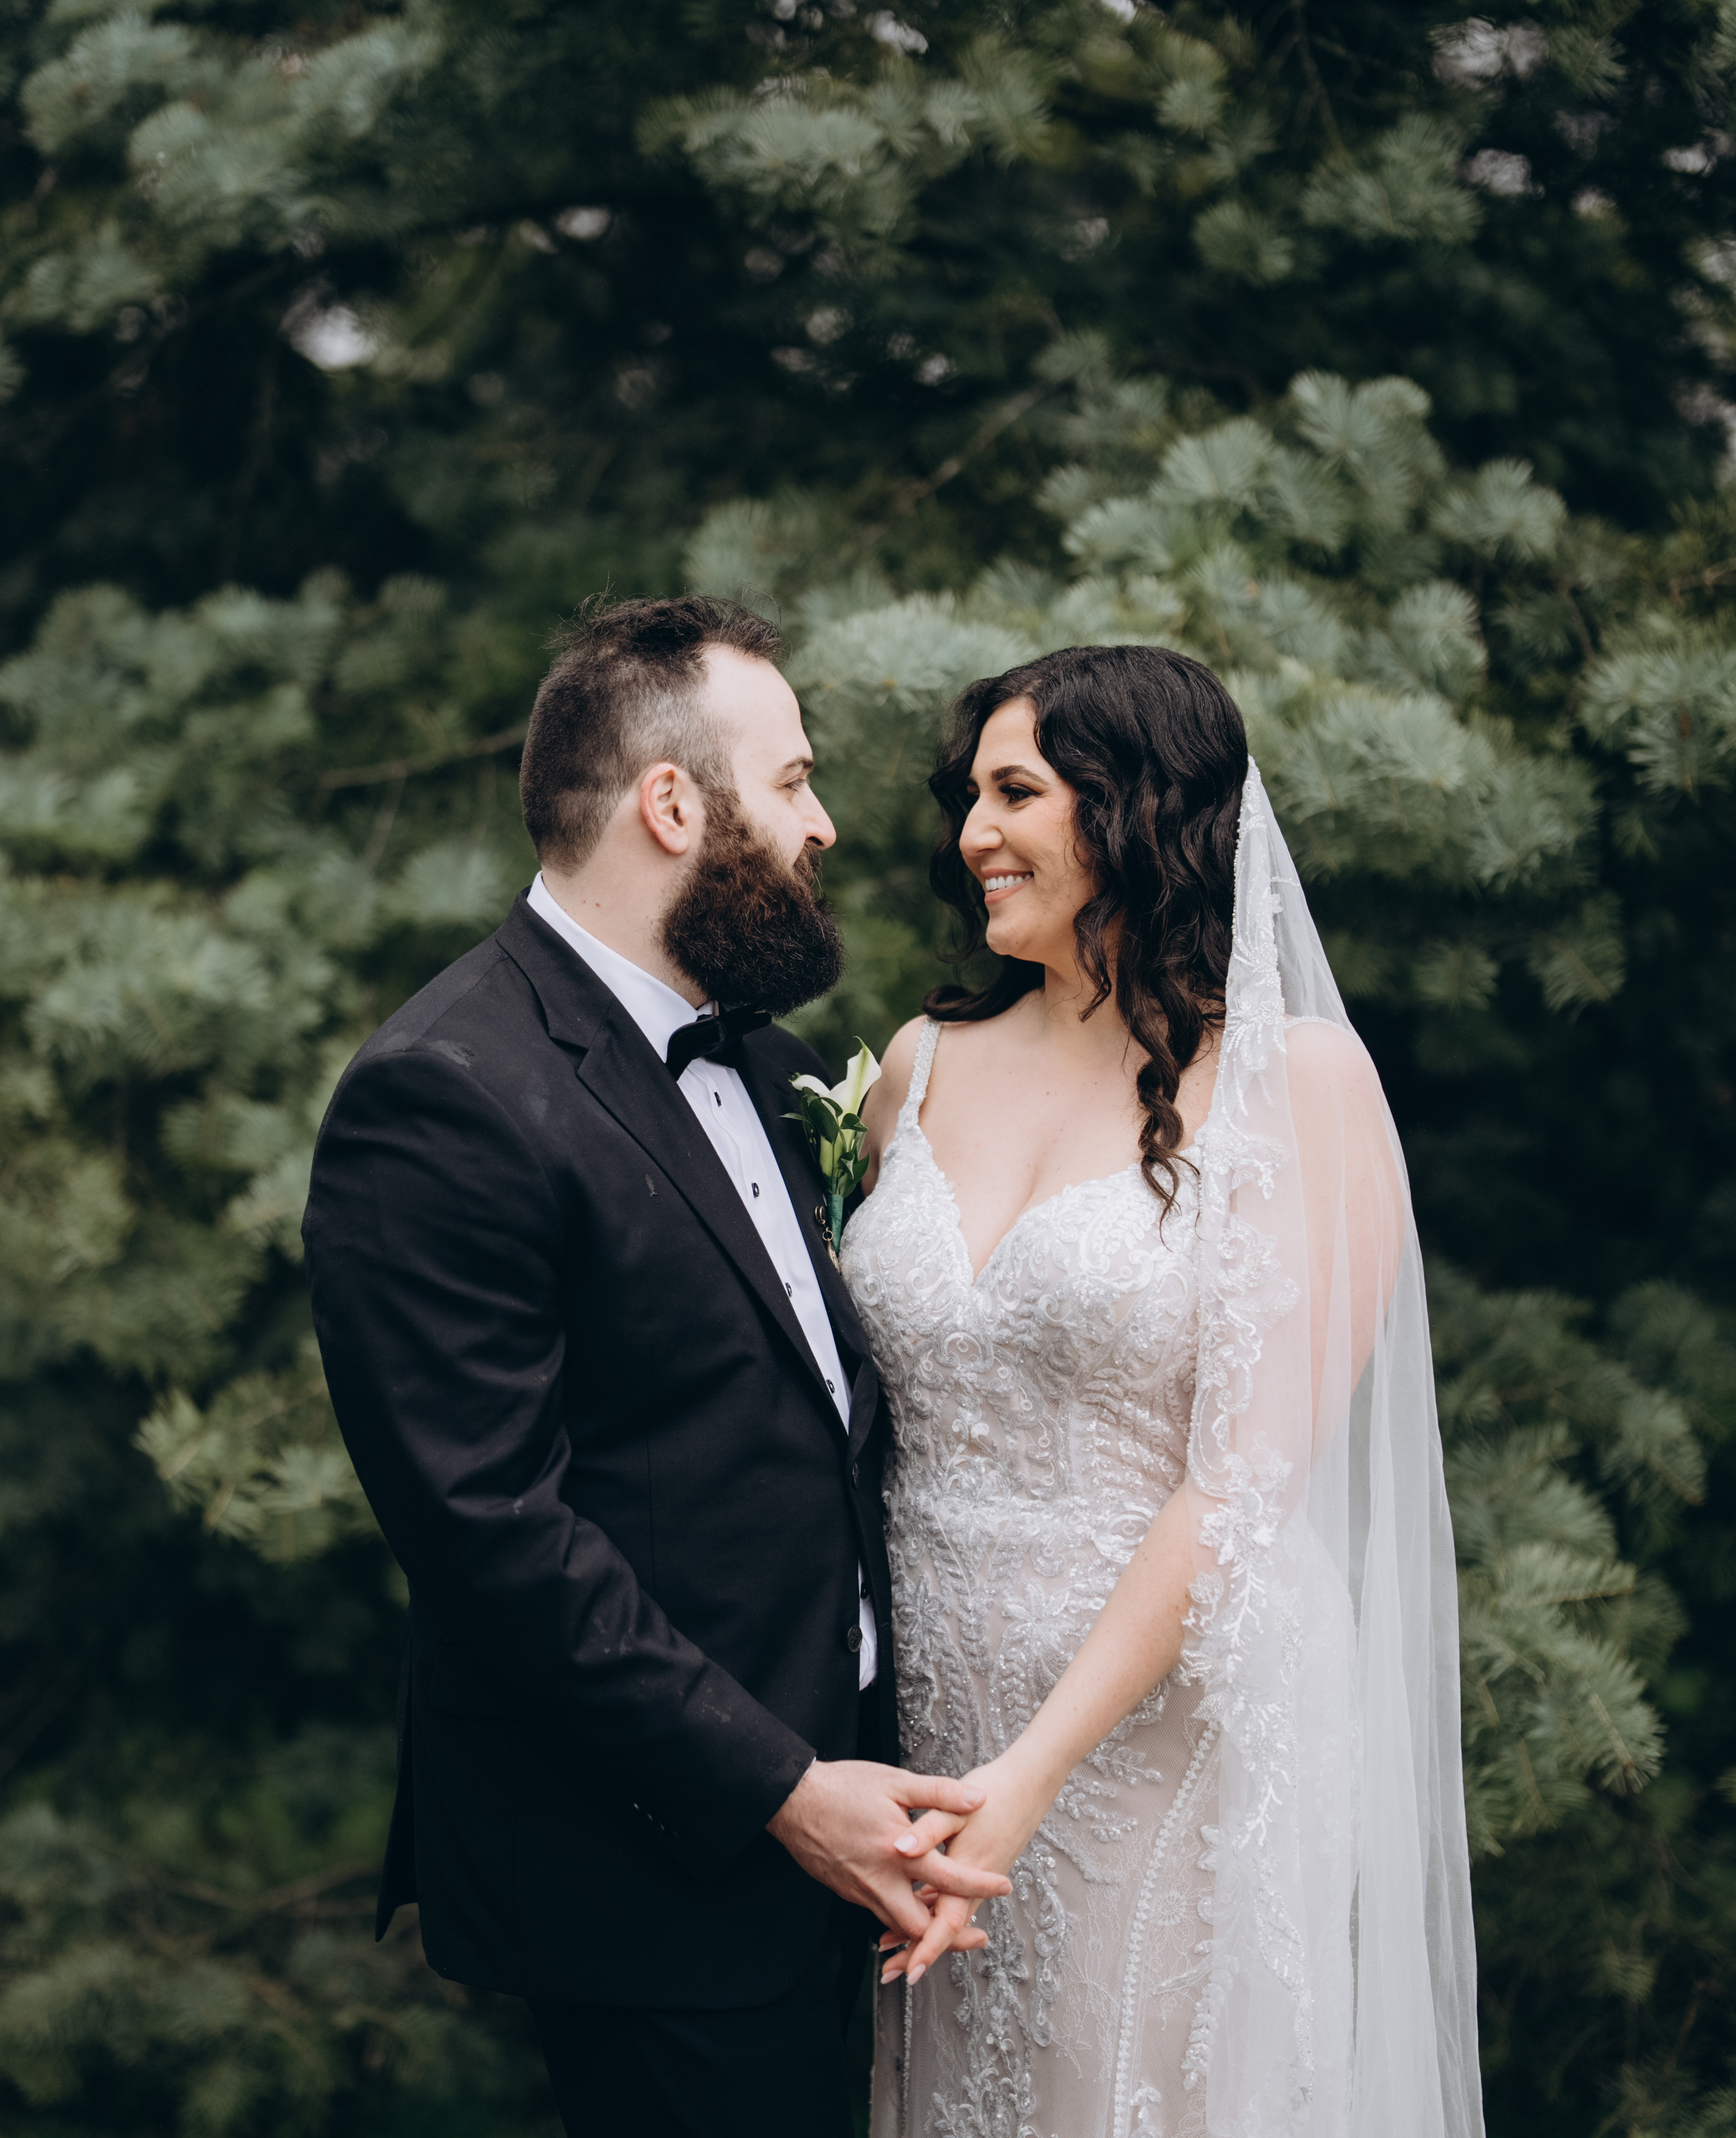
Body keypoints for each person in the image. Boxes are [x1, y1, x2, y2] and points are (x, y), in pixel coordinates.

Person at [303, 596, 1010, 2138]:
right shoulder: (442, 1094)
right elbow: (491, 1532)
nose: (823, 824)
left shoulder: (764, 1061)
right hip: (660, 1865)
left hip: (870, 1832)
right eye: (794, 779)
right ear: (672, 804)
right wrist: (784, 1791)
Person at [844, 646, 1485, 2138]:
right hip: (921, 1735)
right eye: (968, 797)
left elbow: (1242, 1483)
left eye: (1016, 793)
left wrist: (1028, 1777)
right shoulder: (916, 1068)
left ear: (1133, 809)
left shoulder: (1296, 1086)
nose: (973, 834)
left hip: (1157, 1737)